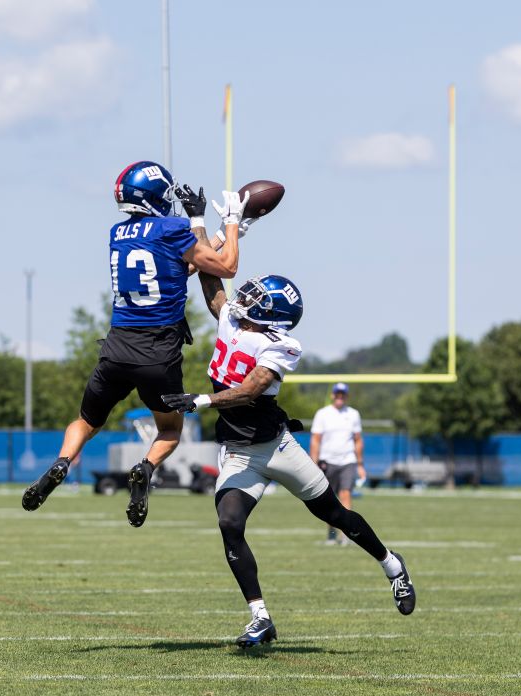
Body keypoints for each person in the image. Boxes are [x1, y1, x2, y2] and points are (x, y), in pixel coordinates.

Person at [162, 273, 415, 648]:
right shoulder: (233, 317)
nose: (247, 295)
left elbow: (252, 389)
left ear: (273, 313)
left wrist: (203, 401)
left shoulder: (283, 345)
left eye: (259, 296)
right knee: (229, 523)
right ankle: (261, 618)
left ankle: (391, 564)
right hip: (238, 451)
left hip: (277, 447)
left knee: (334, 513)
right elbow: (210, 279)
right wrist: (210, 221)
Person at [22, 161, 248, 528]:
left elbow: (180, 265)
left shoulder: (117, 233)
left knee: (85, 420)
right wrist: (232, 222)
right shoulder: (173, 228)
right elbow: (225, 266)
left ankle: (63, 462)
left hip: (116, 347)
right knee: (170, 430)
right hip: (158, 352)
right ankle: (145, 468)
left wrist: (215, 233)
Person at [310, 382, 366, 545]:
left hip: (347, 461)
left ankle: (346, 535)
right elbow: (316, 440)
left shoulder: (353, 414)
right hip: (327, 461)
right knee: (329, 500)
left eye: (343, 394)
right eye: (337, 394)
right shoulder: (323, 414)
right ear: (332, 395)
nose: (340, 397)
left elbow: (357, 440)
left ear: (347, 396)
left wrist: (360, 464)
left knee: (346, 494)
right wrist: (314, 463)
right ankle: (332, 533)